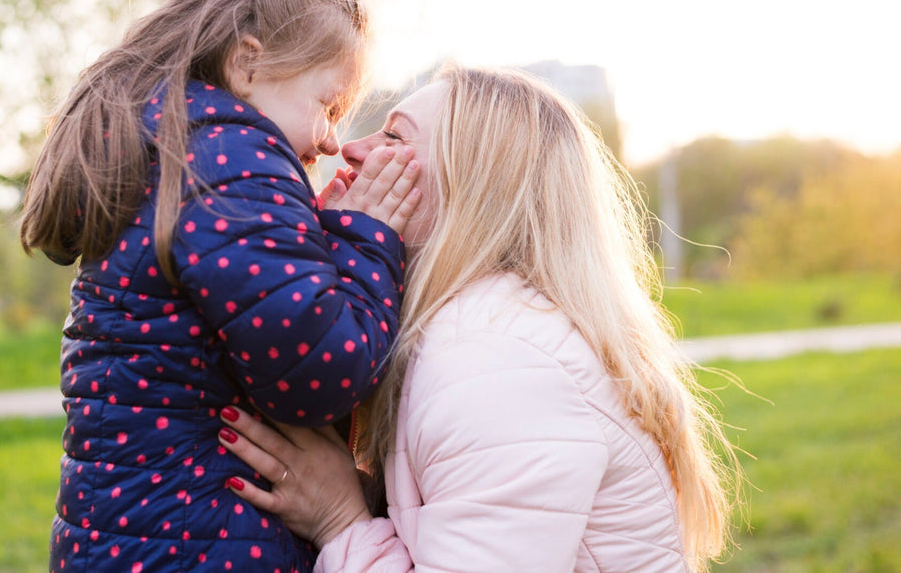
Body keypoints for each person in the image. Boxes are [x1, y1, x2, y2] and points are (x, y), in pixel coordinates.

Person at [217, 64, 742, 572]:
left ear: (474, 188)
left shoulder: (493, 359)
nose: (348, 148)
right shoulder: (493, 331)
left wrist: (340, 519)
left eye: (394, 137)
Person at [19, 0, 423, 573]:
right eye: (327, 104)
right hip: (198, 546)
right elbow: (320, 373)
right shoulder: (231, 159)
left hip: (134, 539)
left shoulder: (180, 152)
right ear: (247, 65)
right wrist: (367, 239)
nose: (330, 140)